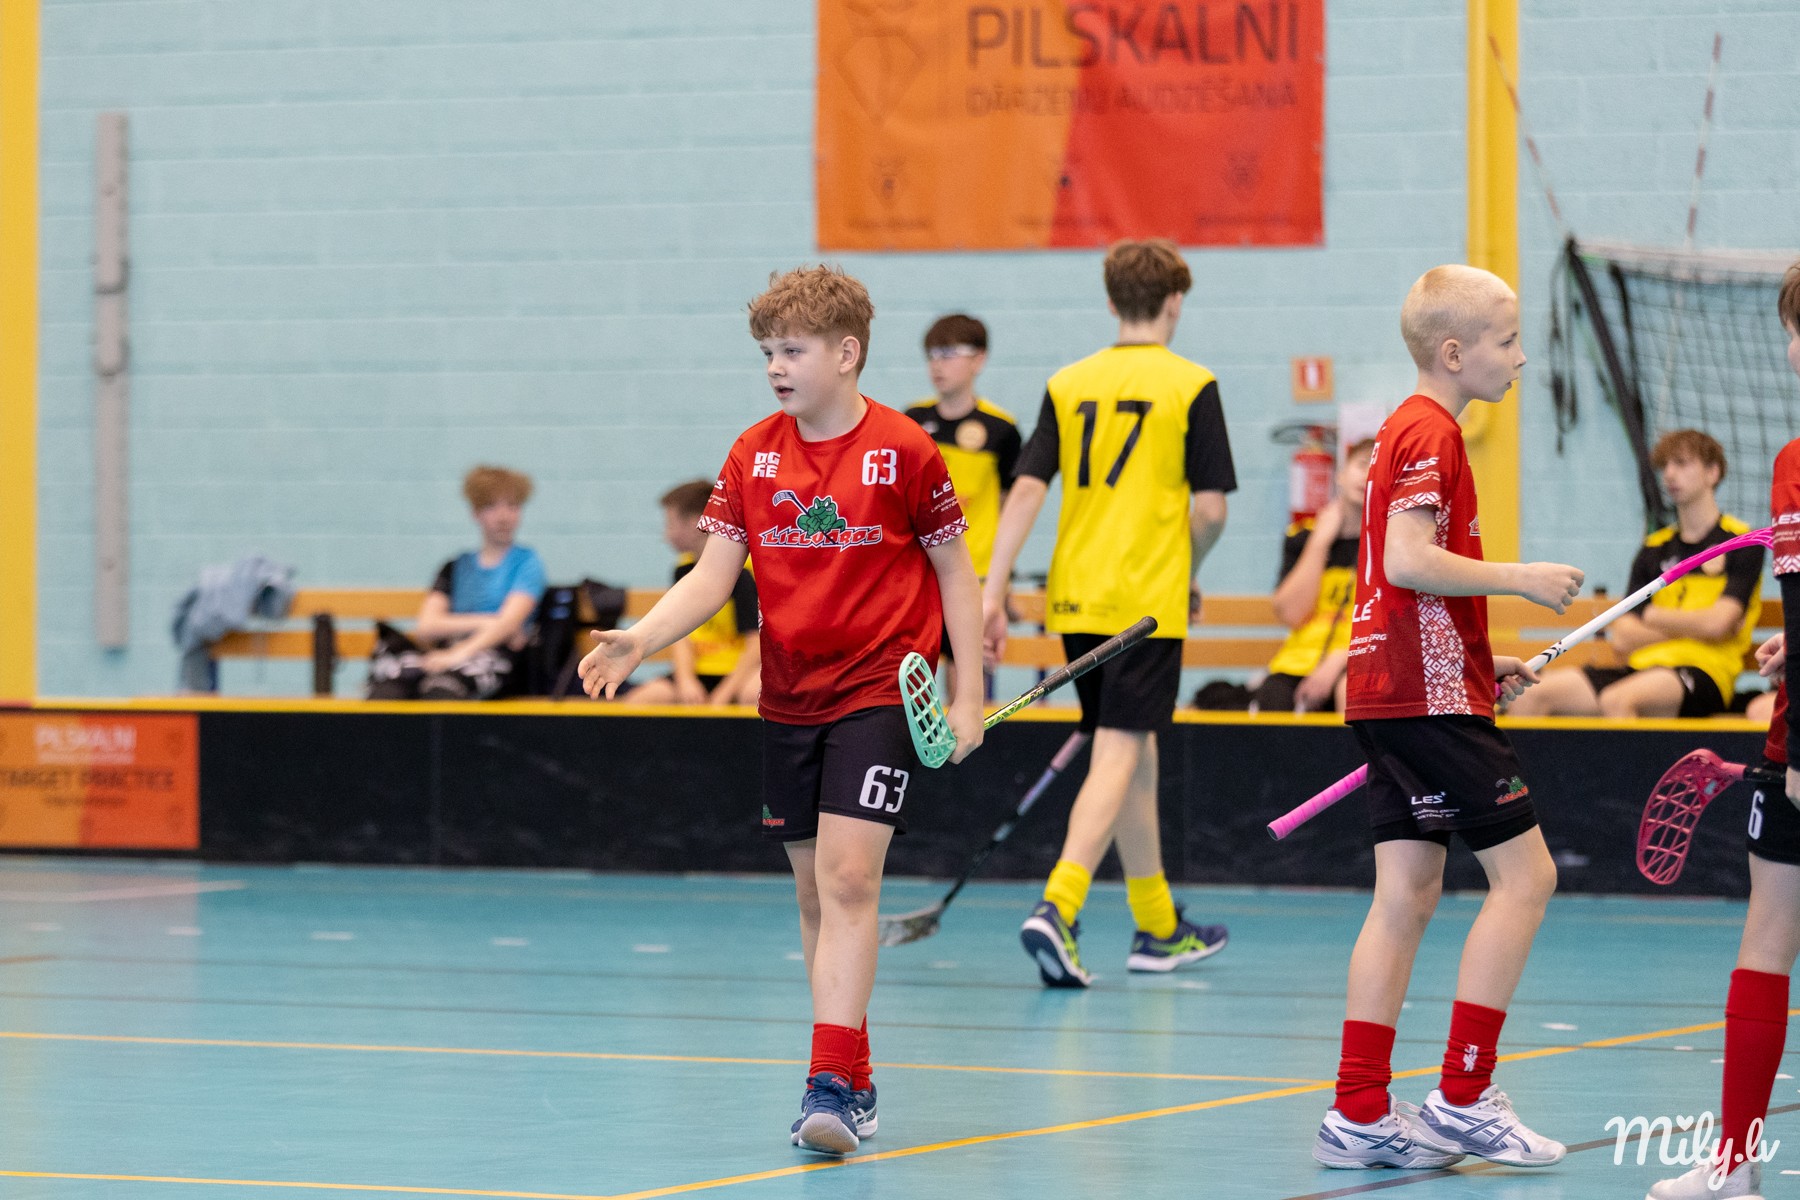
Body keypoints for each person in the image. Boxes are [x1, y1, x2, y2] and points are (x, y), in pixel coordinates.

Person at [577, 264, 984, 1158]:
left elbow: (957, 574)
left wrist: (968, 694)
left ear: (847, 353)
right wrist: (641, 638)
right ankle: (856, 1075)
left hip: (881, 689)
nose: (775, 367)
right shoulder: (752, 454)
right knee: (812, 894)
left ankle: (827, 1082)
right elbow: (713, 576)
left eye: (792, 351)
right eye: (766, 352)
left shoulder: (906, 450)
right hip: (789, 695)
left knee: (849, 881)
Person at [1312, 265, 1585, 1170]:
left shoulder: (1403, 428)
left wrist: (1477, 663)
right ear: (1456, 352)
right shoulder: (1432, 431)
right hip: (1423, 697)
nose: (1521, 356)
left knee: (1405, 896)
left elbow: (1404, 585)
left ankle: (1358, 1113)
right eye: (1508, 341)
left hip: (1398, 687)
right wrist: (1520, 579)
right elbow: (1408, 559)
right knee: (1527, 878)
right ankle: (1465, 1097)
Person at [981, 238, 1235, 988]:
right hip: (1144, 602)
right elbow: (1211, 512)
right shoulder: (1192, 384)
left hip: (1077, 594)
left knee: (1134, 752)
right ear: (1175, 302)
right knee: (1120, 749)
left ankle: (1157, 926)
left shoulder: (1068, 382)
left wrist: (993, 588)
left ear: (1111, 301)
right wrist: (1186, 567)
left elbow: (1027, 488)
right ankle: (1059, 906)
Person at [1648, 259, 1800, 1200]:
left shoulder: (1796, 462)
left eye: (1797, 330)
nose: (1790, 349)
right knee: (1766, 934)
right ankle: (1734, 1166)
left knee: (1769, 935)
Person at [1506, 430, 1763, 720]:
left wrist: (1653, 617)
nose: (1669, 474)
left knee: (1618, 700)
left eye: (1681, 463)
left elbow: (1718, 624)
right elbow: (1624, 637)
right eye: (1665, 465)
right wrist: (1695, 627)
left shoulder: (1741, 542)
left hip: (1704, 672)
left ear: (1712, 473)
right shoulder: (1653, 548)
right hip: (1640, 668)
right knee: (1531, 695)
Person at [368, 465, 546, 700]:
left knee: (442, 690)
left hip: (496, 660)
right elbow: (427, 626)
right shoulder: (455, 567)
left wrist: (459, 652)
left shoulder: (526, 563)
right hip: (448, 652)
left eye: (512, 506)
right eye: (491, 506)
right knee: (391, 687)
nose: (503, 516)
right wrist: (491, 622)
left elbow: (510, 622)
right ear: (476, 513)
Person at [1255, 438, 1374, 715]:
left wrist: (1338, 660)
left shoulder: (1389, 546)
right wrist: (1320, 542)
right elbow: (1292, 614)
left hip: (1360, 662)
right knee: (1273, 698)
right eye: (1362, 464)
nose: (1368, 475)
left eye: (1377, 469)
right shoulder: (1303, 537)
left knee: (1351, 690)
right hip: (1298, 663)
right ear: (1341, 475)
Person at [622, 479, 761, 707]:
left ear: (696, 522)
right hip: (699, 672)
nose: (665, 535)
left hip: (740, 673)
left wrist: (725, 693)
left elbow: (756, 644)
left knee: (753, 694)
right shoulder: (683, 568)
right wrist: (686, 680)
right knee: (641, 700)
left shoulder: (741, 573)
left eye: (670, 524)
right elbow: (680, 636)